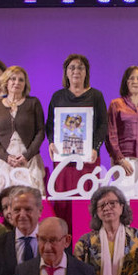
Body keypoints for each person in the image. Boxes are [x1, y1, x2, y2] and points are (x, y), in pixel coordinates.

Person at [47, 54, 109, 225]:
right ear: (66, 72)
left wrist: (95, 147)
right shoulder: (57, 96)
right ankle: (63, 237)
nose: (76, 71)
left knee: (87, 199)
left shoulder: (96, 96)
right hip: (63, 160)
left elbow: (103, 125)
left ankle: (86, 236)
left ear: (86, 72)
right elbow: (50, 126)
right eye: (72, 67)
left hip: (88, 158)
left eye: (80, 67)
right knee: (63, 199)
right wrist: (52, 142)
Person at [0, 65, 46, 192]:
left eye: (21, 80)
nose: (16, 83)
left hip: (28, 159)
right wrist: (6, 157)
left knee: (31, 197)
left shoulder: (33, 103)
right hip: (4, 161)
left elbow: (40, 132)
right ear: (6, 82)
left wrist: (27, 156)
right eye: (13, 79)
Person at [105, 65, 138, 182]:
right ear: (126, 82)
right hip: (124, 158)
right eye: (131, 78)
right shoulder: (116, 104)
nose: (135, 82)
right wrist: (119, 159)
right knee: (124, 197)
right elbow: (111, 134)